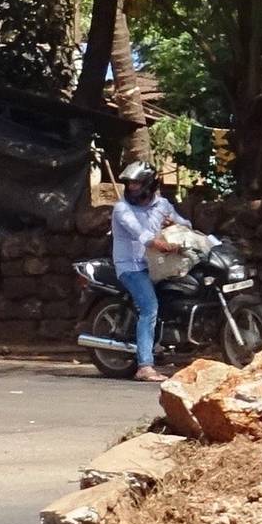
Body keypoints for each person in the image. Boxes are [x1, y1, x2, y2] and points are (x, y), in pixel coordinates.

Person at [111, 161, 182, 383]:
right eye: (129, 184)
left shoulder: (163, 205)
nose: (131, 187)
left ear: (149, 184)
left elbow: (185, 224)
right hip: (131, 266)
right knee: (149, 308)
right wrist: (158, 243)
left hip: (158, 265)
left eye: (136, 183)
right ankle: (144, 366)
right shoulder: (122, 208)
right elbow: (139, 232)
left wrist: (177, 226)